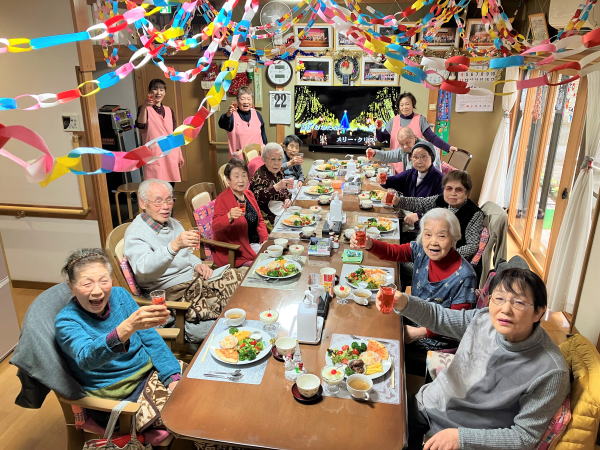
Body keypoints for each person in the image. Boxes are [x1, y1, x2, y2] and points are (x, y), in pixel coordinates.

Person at [378, 268, 570, 450]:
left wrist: (462, 438)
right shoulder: (484, 319)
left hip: (457, 435)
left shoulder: (551, 371)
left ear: (539, 312)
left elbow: (524, 437)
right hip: (426, 404)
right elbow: (440, 318)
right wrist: (404, 302)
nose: (505, 309)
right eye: (499, 298)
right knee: (372, 418)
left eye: (518, 302)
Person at [55, 248, 181, 441]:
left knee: (202, 391)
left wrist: (171, 376)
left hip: (150, 375)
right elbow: (86, 358)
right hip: (119, 398)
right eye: (87, 284)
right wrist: (127, 328)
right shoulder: (67, 321)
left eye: (104, 281)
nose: (97, 291)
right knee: (191, 415)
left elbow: (150, 338)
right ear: (71, 286)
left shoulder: (120, 295)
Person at [351, 208, 476, 373]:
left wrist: (419, 332)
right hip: (412, 317)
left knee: (376, 356)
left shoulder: (465, 276)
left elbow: (457, 324)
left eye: (442, 236)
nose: (433, 242)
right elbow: (393, 252)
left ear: (454, 238)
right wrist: (370, 244)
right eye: (428, 234)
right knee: (363, 322)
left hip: (437, 342)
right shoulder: (421, 250)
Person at [124, 179, 242, 342]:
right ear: (143, 203)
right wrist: (173, 246)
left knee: (239, 280)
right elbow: (143, 269)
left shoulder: (173, 223)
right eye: (158, 201)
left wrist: (197, 264)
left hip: (194, 281)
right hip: (171, 292)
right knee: (229, 310)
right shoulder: (135, 233)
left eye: (169, 200)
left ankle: (225, 321)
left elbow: (185, 254)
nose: (166, 206)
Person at [393, 170, 484, 261]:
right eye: (449, 188)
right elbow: (420, 203)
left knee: (397, 259)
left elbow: (471, 246)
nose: (453, 193)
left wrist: (443, 255)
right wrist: (398, 201)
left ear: (467, 193)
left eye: (459, 190)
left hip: (445, 259)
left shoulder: (475, 214)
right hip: (428, 245)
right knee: (396, 240)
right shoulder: (440, 199)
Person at [213, 158, 269, 267]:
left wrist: (265, 240)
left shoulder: (249, 194)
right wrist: (228, 216)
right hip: (238, 251)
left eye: (244, 175)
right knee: (268, 265)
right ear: (228, 180)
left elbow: (260, 220)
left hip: (256, 243)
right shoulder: (222, 199)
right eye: (236, 176)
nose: (241, 180)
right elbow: (215, 227)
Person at [375, 92, 457, 154]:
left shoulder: (420, 119)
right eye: (401, 105)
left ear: (412, 105)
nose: (404, 107)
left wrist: (448, 147)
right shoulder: (393, 121)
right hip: (396, 163)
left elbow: (432, 138)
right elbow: (381, 139)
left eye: (407, 104)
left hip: (415, 163)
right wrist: (378, 129)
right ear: (399, 107)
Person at [136, 78, 184, 184]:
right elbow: (140, 125)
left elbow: (175, 133)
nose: (158, 92)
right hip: (154, 156)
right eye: (155, 89)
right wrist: (144, 106)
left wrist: (179, 154)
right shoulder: (144, 109)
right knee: (155, 187)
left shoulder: (169, 110)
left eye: (161, 90)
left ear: (165, 92)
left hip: (170, 154)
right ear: (149, 92)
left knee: (170, 187)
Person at [249, 143, 292, 227]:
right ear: (264, 160)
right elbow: (257, 197)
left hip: (280, 208)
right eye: (273, 159)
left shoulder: (278, 172)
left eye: (279, 159)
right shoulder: (260, 175)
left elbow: (285, 190)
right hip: (266, 217)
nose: (277, 163)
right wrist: (276, 187)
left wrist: (287, 198)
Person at [218, 86, 267, 159]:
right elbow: (222, 124)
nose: (246, 102)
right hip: (239, 161)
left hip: (258, 159)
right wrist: (228, 114)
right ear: (237, 101)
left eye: (249, 99)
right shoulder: (232, 115)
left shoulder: (257, 114)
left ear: (252, 101)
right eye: (242, 99)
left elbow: (263, 136)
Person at [368, 127, 442, 172]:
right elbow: (389, 155)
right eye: (402, 144)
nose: (405, 147)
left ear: (415, 138)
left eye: (408, 142)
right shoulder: (405, 150)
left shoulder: (425, 150)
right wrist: (374, 153)